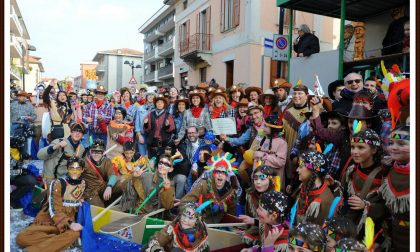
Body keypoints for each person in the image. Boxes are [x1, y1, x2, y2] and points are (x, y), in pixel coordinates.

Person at [16, 158, 85, 252]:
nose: (74, 171)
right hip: (49, 219)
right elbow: (54, 209)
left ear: (82, 170)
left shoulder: (83, 184)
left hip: (67, 222)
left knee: (75, 234)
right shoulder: (58, 183)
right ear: (67, 169)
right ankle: (59, 241)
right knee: (21, 238)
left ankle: (34, 250)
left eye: (78, 169)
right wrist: (70, 224)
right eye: (71, 168)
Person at [340, 129, 385, 236]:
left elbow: (388, 208)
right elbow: (345, 196)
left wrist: (366, 205)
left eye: (361, 147)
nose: (354, 151)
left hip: (371, 230)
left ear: (374, 150)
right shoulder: (352, 170)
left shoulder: (383, 175)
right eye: (352, 147)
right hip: (349, 225)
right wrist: (333, 186)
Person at [376, 126, 410, 251]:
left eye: (401, 143)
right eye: (391, 143)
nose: (394, 147)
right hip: (394, 236)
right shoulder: (387, 170)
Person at [182, 152, 239, 224]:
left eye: (223, 173)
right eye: (217, 172)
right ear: (213, 174)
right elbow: (185, 201)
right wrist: (190, 214)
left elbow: (231, 216)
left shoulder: (231, 193)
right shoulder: (204, 184)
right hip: (200, 222)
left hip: (218, 227)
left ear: (227, 176)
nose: (220, 175)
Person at [238, 165, 282, 247]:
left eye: (262, 179)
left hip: (270, 233)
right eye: (255, 178)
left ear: (271, 180)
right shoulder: (250, 194)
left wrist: (254, 221)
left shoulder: (276, 198)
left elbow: (276, 225)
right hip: (254, 230)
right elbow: (248, 216)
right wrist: (247, 229)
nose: (258, 182)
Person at [144, 202, 210, 252]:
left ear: (196, 221)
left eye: (190, 218)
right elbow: (158, 238)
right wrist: (157, 250)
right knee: (146, 247)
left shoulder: (202, 233)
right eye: (184, 215)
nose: (185, 220)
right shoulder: (173, 227)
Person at [294, 151, 334, 226]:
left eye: (301, 166)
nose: (297, 170)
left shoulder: (323, 201)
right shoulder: (305, 187)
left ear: (313, 170)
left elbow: (315, 234)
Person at [282, 84, 310, 182]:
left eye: (300, 93)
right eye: (294, 93)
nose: (296, 95)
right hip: (289, 148)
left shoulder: (311, 112)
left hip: (305, 150)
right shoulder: (287, 112)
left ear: (306, 95)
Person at [82, 139, 120, 207]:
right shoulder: (84, 162)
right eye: (94, 151)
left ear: (103, 152)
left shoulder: (107, 161)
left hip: (103, 187)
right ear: (90, 151)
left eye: (99, 152)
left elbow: (112, 175)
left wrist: (109, 186)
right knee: (99, 209)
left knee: (122, 184)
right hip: (91, 192)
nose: (96, 154)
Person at [254, 115, 287, 186]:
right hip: (259, 179)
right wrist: (254, 173)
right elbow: (257, 158)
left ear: (273, 129)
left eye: (266, 126)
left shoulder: (282, 143)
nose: (262, 128)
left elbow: (281, 162)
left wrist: (265, 156)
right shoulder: (264, 138)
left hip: (273, 181)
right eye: (264, 125)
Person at [144, 94, 175, 159]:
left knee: (163, 162)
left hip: (164, 144)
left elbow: (172, 129)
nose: (159, 104)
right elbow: (146, 130)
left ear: (164, 104)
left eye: (161, 102)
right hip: (152, 143)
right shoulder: (150, 114)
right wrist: (146, 124)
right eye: (158, 102)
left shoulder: (168, 115)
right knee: (152, 163)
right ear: (155, 104)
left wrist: (167, 126)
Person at [134, 89, 157, 156]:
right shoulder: (140, 108)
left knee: (151, 156)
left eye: (152, 95)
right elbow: (137, 123)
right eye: (149, 95)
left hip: (152, 136)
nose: (150, 97)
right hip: (142, 134)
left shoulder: (157, 109)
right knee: (142, 156)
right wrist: (139, 135)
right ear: (146, 97)